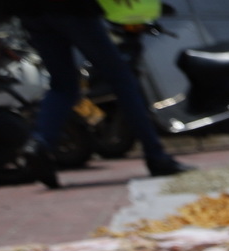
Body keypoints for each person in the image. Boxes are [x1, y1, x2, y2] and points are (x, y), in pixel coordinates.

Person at [19, 0, 191, 185]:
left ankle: (40, 144)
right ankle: (156, 156)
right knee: (123, 81)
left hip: (30, 12)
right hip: (74, 10)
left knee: (63, 86)